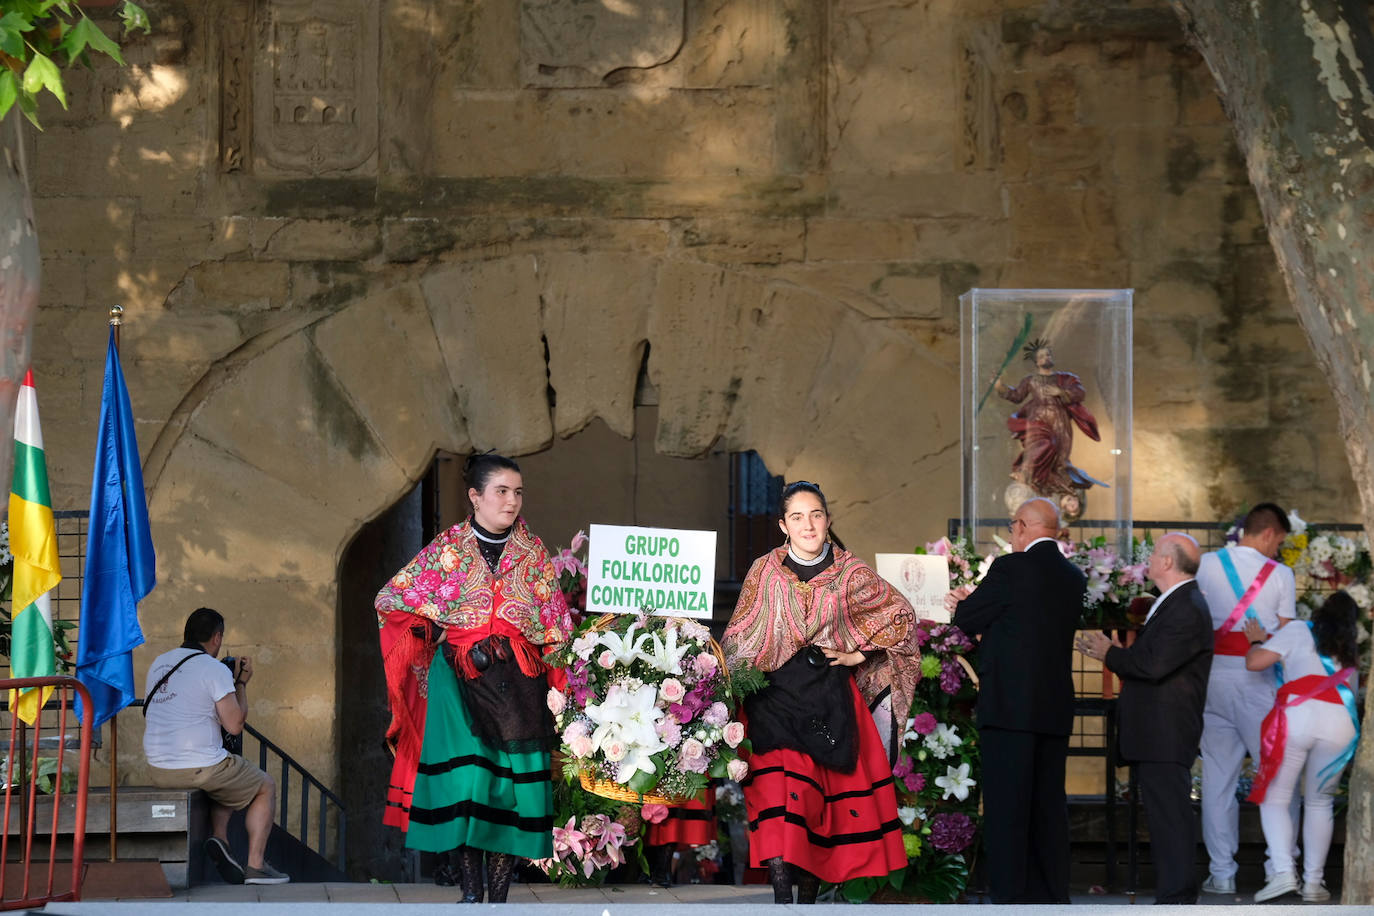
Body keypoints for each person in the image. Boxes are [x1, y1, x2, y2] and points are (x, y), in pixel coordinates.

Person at [375, 453, 572, 904]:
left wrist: (568, 701)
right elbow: (391, 598)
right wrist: (433, 629)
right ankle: (469, 896)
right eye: (501, 491)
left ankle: (497, 901)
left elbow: (557, 627)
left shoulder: (534, 552)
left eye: (517, 492)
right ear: (475, 496)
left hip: (519, 685)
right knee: (468, 787)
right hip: (457, 682)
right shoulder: (448, 549)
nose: (512, 501)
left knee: (505, 792)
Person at [722, 481, 921, 905]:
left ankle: (807, 908)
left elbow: (901, 616)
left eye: (815, 515)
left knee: (818, 807)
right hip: (771, 699)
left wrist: (856, 653)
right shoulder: (765, 571)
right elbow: (741, 634)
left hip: (827, 701)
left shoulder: (852, 573)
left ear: (828, 521)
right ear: (783, 525)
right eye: (797, 516)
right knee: (777, 799)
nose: (808, 524)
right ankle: (781, 901)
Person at [948, 497, 1084, 903]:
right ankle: (1051, 895)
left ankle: (1011, 897)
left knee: (1008, 807)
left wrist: (965, 601)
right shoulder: (1073, 577)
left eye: (1012, 528)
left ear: (1023, 526)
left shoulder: (1010, 568)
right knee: (1047, 806)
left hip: (1009, 708)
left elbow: (968, 619)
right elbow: (1030, 625)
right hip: (1054, 707)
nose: (1012, 535)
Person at [1075, 533, 1213, 904]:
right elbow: (1154, 661)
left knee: (1170, 817)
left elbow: (1153, 666)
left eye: (1153, 554)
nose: (1148, 560)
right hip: (1158, 731)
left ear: (1168, 562)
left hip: (1166, 732)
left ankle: (1177, 898)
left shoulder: (1185, 607)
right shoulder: (1175, 603)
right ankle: (1174, 894)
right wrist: (1117, 654)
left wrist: (1109, 654)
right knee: (1165, 816)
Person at [143, 607, 287, 886]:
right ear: (217, 637)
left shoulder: (159, 663)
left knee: (227, 766)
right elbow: (234, 725)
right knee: (264, 785)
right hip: (199, 767)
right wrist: (241, 684)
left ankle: (220, 838)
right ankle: (256, 867)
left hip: (158, 768)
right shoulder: (212, 668)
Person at [1194, 502, 1296, 895]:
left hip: (1211, 679)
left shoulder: (1206, 564)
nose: (1278, 551)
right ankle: (1279, 868)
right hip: (1258, 681)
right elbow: (1286, 637)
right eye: (1279, 542)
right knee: (1277, 778)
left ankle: (1222, 873)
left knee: (1218, 779)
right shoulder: (1281, 575)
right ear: (1269, 533)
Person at [1241, 591, 1360, 903]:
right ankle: (1313, 884)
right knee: (1320, 802)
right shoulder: (1350, 653)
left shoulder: (1297, 630)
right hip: (1340, 725)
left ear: (1320, 613)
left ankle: (1283, 872)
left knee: (1274, 797)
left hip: (1298, 719)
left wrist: (1255, 641)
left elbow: (1255, 663)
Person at [991, 339, 1102, 502]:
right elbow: (1016, 396)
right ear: (1036, 362)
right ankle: (1024, 472)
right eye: (1042, 356)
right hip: (1037, 420)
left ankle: (1047, 486)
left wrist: (1061, 392)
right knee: (1042, 445)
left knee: (1059, 458)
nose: (1046, 358)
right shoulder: (1030, 380)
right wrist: (1000, 387)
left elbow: (1080, 393)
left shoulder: (1066, 378)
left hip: (1060, 421)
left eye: (1048, 354)